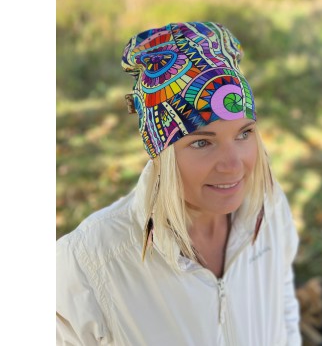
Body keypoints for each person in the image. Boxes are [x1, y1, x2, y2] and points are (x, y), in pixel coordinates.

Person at [56, 21, 302, 345]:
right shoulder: (87, 264)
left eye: (244, 134)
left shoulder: (268, 207)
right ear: (163, 155)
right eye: (202, 142)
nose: (233, 165)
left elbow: (283, 306)